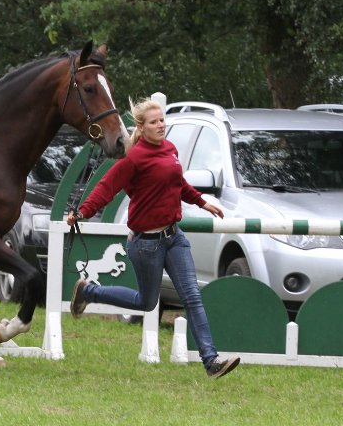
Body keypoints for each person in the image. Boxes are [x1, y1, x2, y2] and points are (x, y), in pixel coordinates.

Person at [66, 98, 240, 379]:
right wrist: (83, 212)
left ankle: (211, 362)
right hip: (146, 244)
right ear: (141, 127)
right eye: (154, 122)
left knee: (192, 296)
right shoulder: (134, 159)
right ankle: (88, 291)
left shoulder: (170, 150)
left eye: (162, 120)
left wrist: (201, 202)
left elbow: (177, 183)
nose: (161, 125)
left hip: (175, 237)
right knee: (146, 303)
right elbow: (106, 187)